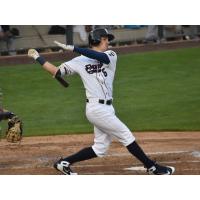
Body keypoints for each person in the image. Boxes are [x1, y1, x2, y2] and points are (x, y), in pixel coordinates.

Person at [28, 28, 175, 175]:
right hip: (96, 109)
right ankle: (152, 167)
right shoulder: (78, 61)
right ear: (96, 40)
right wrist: (38, 57)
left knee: (100, 148)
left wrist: (75, 48)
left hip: (108, 108)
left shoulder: (110, 55)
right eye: (105, 39)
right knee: (126, 135)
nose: (108, 42)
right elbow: (56, 71)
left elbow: (100, 57)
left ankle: (63, 163)